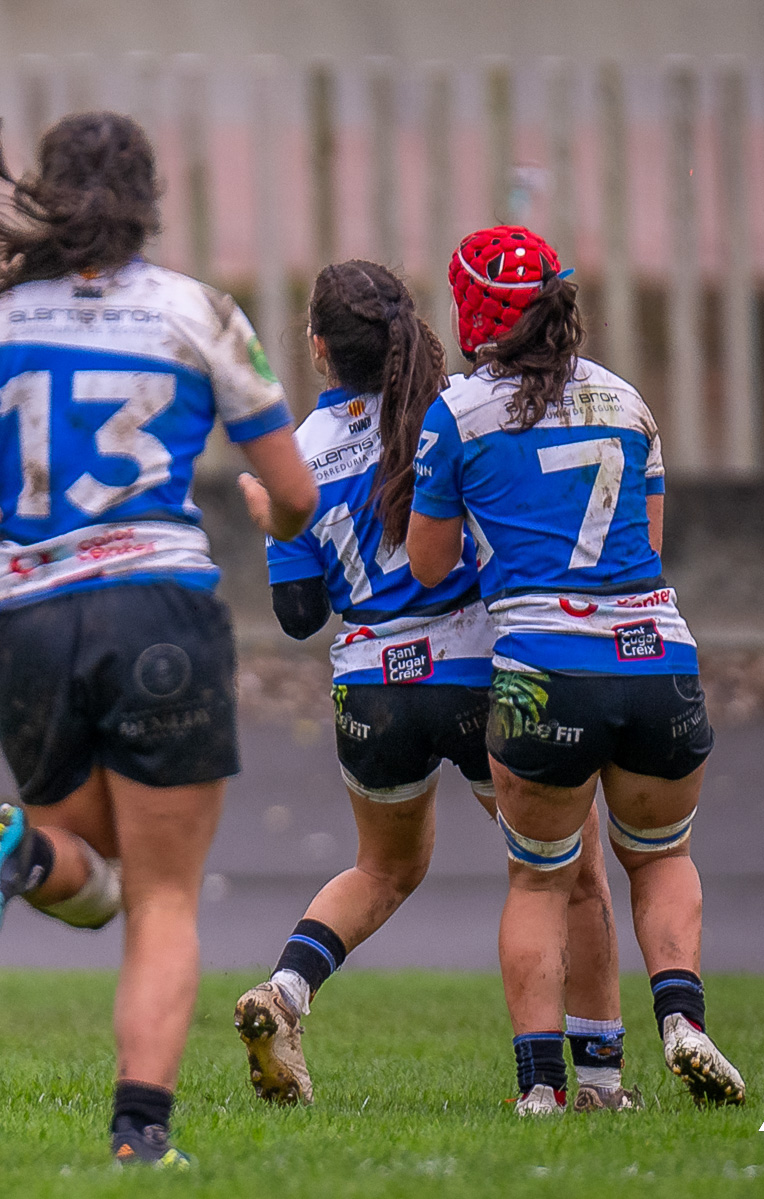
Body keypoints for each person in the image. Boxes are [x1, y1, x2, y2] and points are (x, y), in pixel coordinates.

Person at [0, 114, 317, 1167]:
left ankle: (20, 851)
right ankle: (141, 1132)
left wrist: (26, 539)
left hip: (31, 616)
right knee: (163, 895)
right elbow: (294, 492)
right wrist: (278, 520)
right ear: (147, 202)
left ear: (44, 193)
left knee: (90, 874)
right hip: (159, 604)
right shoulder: (199, 311)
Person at [230, 261, 634, 1115]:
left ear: (318, 349)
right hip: (483, 675)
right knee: (571, 868)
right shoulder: (455, 411)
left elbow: (300, 616)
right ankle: (597, 1080)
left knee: (384, 867)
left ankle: (286, 990)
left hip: (372, 690)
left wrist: (282, 522)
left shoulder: (297, 453)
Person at [407, 225, 745, 1111]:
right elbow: (649, 550)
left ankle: (543, 1088)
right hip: (657, 656)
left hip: (542, 669)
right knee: (660, 857)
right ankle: (682, 1019)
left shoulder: (458, 413)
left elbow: (429, 565)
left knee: (540, 876)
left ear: (473, 314)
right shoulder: (627, 402)